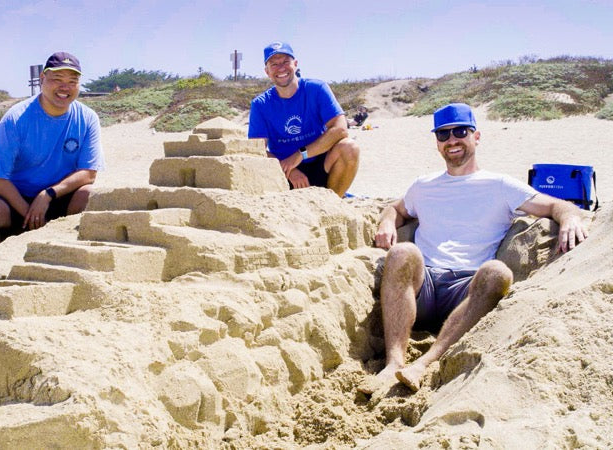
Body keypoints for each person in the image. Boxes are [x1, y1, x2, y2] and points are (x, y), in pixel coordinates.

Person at [360, 103, 587, 394]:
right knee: (403, 253)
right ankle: (394, 363)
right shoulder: (424, 185)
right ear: (437, 143)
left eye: (460, 132)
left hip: (467, 291)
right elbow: (395, 208)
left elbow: (554, 204)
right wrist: (388, 222)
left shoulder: (500, 184)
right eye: (443, 135)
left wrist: (569, 217)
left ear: (476, 136)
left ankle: (425, 363)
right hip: (423, 285)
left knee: (497, 272)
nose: (452, 140)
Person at [0, 51, 105, 259]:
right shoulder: (15, 118)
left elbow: (88, 173)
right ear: (42, 79)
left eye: (72, 81)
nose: (64, 87)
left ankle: (81, 262)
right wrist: (29, 212)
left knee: (89, 194)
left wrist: (48, 194)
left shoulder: (87, 118)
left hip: (57, 196)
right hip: (15, 198)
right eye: (57, 79)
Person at [248, 41, 360, 198]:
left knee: (350, 147)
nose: (281, 68)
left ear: (295, 64)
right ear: (267, 71)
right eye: (274, 64)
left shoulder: (316, 89)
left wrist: (300, 155)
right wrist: (290, 169)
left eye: (286, 61)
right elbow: (256, 150)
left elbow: (340, 129)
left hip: (322, 165)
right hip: (285, 172)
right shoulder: (260, 104)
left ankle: (333, 203)